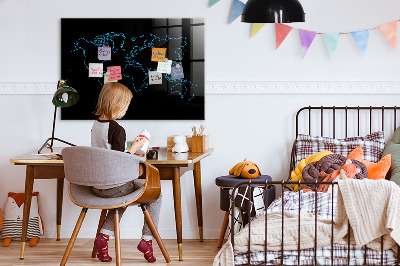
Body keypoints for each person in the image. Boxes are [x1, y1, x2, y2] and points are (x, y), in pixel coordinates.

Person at [91, 82, 161, 263]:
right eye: (126, 105)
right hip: (114, 186)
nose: (126, 109)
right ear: (117, 105)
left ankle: (103, 238)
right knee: (156, 194)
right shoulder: (117, 129)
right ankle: (147, 240)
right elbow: (119, 161)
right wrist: (136, 148)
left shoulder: (96, 125)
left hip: (97, 186)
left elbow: (108, 154)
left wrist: (130, 149)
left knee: (121, 197)